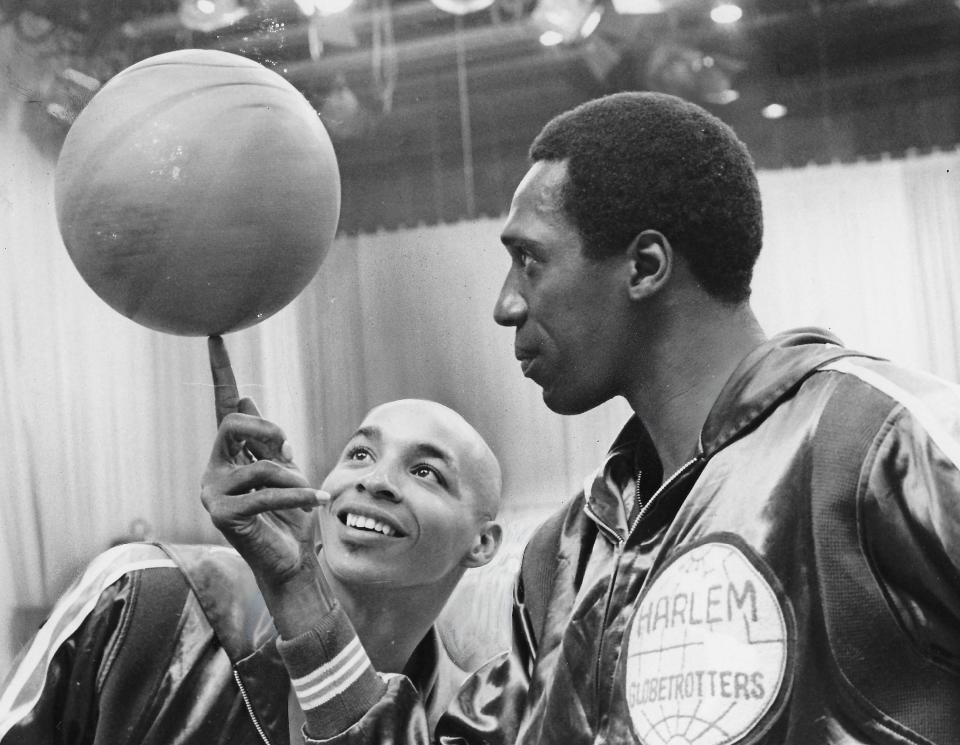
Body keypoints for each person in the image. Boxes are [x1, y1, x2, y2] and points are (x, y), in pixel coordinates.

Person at [240, 91, 960, 744]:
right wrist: (296, 586)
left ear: (644, 266)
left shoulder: (887, 439)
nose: (505, 305)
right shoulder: (565, 553)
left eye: (529, 260)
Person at [0, 338, 503, 744]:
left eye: (425, 471)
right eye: (360, 454)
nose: (375, 481)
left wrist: (297, 585)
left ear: (482, 543)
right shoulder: (139, 592)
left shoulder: (470, 724)